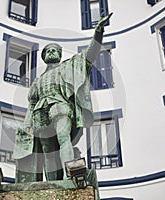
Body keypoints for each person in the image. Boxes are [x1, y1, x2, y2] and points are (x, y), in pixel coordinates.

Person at [13, 13, 113, 183]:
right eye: (48, 50)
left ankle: (70, 176)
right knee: (47, 150)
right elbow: (31, 104)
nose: (52, 52)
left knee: (63, 137)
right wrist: (26, 126)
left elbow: (90, 56)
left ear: (59, 55)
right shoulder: (37, 80)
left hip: (60, 106)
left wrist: (98, 33)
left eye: (55, 50)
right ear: (44, 57)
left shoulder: (69, 66)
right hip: (39, 113)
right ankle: (53, 183)